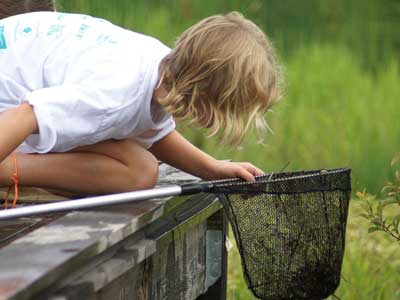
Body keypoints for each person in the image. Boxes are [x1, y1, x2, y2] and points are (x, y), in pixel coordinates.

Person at [0, 11, 281, 199]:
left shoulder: (156, 66)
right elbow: (27, 115)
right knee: (135, 171)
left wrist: (211, 168)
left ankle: (8, 168)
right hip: (10, 110)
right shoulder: (114, 93)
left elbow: (153, 133)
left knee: (140, 170)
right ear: (211, 95)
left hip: (19, 97)